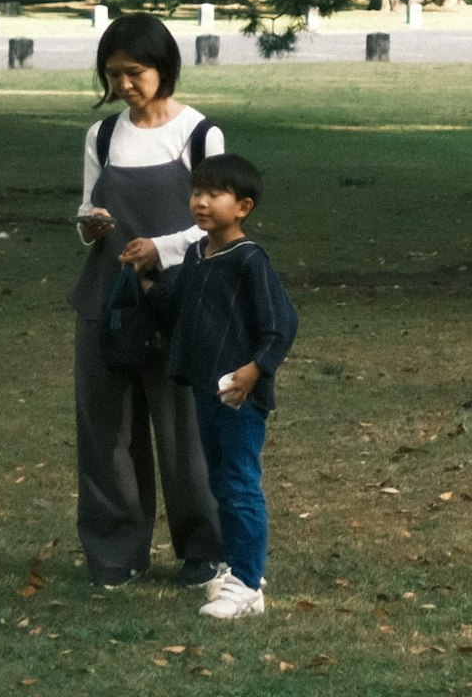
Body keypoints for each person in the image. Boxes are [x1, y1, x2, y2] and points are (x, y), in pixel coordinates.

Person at [71, 13, 226, 588]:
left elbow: (216, 220)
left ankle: (205, 550)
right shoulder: (103, 135)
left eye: (134, 73)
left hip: (179, 297)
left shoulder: (200, 134)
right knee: (106, 430)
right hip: (107, 297)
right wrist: (90, 225)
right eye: (113, 76)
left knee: (184, 430)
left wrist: (158, 248)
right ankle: (115, 551)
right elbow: (87, 208)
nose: (124, 87)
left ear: (164, 68)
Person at [159, 151, 298, 620]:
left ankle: (248, 584)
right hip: (205, 390)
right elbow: (174, 305)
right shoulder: (198, 256)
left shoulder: (249, 259)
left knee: (239, 483)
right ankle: (236, 568)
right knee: (220, 482)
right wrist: (141, 273)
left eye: (214, 194)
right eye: (196, 192)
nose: (200, 202)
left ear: (243, 206)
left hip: (238, 394)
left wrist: (255, 370)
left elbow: (282, 324)